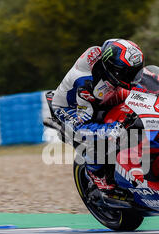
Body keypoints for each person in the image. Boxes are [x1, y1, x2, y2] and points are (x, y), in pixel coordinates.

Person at [51, 39, 145, 191]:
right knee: (100, 136)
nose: (136, 77)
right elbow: (83, 126)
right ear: (115, 71)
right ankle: (95, 172)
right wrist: (112, 129)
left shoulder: (113, 49)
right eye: (131, 74)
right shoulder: (86, 84)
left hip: (102, 91)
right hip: (72, 107)